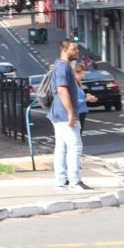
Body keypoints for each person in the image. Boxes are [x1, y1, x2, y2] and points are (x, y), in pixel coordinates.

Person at [49, 37, 87, 191]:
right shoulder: (63, 67)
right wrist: (71, 113)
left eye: (77, 49)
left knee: (62, 147)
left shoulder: (62, 66)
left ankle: (61, 180)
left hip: (59, 114)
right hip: (64, 114)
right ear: (64, 50)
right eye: (73, 49)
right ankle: (74, 181)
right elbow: (62, 90)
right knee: (75, 146)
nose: (77, 51)